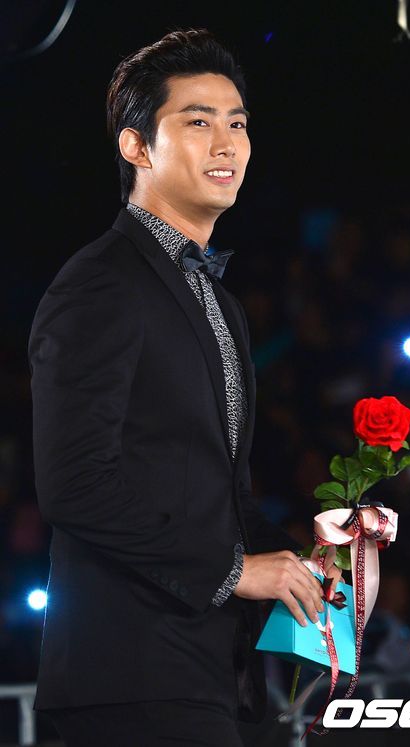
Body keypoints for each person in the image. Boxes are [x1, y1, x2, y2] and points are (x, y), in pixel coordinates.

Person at [28, 29, 326, 747]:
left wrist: (310, 566)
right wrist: (236, 570)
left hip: (206, 669)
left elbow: (221, 495)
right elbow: (74, 484)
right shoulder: (101, 282)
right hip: (128, 670)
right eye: (198, 122)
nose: (227, 144)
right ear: (137, 147)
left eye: (238, 124)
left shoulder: (219, 302)